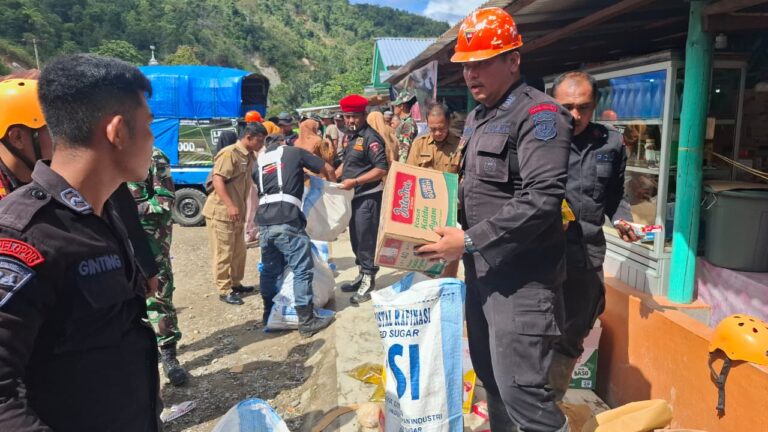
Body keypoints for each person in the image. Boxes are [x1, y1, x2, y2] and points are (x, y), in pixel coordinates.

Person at [416, 8, 573, 432]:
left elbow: (542, 199)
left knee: (525, 394)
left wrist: (467, 241)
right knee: (492, 383)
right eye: (466, 65)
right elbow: (473, 192)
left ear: (513, 60)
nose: (471, 74)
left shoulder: (540, 116)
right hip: (483, 278)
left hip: (523, 286)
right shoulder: (481, 117)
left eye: (482, 62)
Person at [0, 54, 161, 431]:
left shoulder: (103, 213)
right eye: (149, 125)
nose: (154, 140)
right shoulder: (25, 235)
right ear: (118, 131)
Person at [548, 71, 639, 401]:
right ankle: (525, 405)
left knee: (575, 329)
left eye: (583, 107)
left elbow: (615, 196)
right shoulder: (537, 141)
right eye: (566, 107)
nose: (575, 115)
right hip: (541, 256)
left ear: (595, 106)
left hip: (586, 256)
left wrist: (623, 220)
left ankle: (551, 401)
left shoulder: (611, 143)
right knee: (534, 328)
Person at [254, 126, 336, 336]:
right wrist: (333, 187)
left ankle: (268, 312)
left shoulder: (259, 164)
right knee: (302, 269)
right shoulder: (294, 152)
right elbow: (325, 166)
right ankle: (306, 321)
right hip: (287, 220)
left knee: (270, 270)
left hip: (264, 223)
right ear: (283, 142)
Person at [128, 147, 189, 387]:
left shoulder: (152, 156)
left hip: (151, 241)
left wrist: (126, 212)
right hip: (119, 240)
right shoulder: (107, 154)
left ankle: (169, 356)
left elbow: (164, 199)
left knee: (159, 297)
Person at [203, 123, 266, 305]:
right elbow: (218, 179)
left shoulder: (249, 155)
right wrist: (230, 205)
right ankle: (224, 290)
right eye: (259, 140)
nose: (261, 144)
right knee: (224, 251)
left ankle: (236, 283)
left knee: (239, 250)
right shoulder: (230, 153)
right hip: (222, 212)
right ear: (248, 137)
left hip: (237, 212)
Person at [335, 94, 388, 304]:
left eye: (354, 117)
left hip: (368, 197)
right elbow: (348, 164)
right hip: (352, 197)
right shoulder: (351, 137)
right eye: (347, 117)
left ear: (364, 115)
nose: (350, 121)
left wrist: (355, 182)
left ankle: (369, 279)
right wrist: (331, 178)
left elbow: (381, 168)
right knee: (356, 239)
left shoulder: (371, 138)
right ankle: (361, 274)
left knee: (366, 239)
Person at [405, 102, 462, 278]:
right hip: (426, 210)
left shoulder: (460, 145)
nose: (437, 133)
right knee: (426, 254)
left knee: (450, 256)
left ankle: (447, 286)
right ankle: (428, 289)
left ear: (449, 123)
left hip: (452, 210)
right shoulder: (419, 144)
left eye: (441, 129)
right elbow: (409, 176)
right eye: (432, 129)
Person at [393, 89, 418, 162]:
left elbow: (405, 148)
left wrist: (400, 167)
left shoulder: (408, 123)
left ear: (401, 106)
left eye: (396, 105)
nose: (394, 107)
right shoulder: (403, 122)